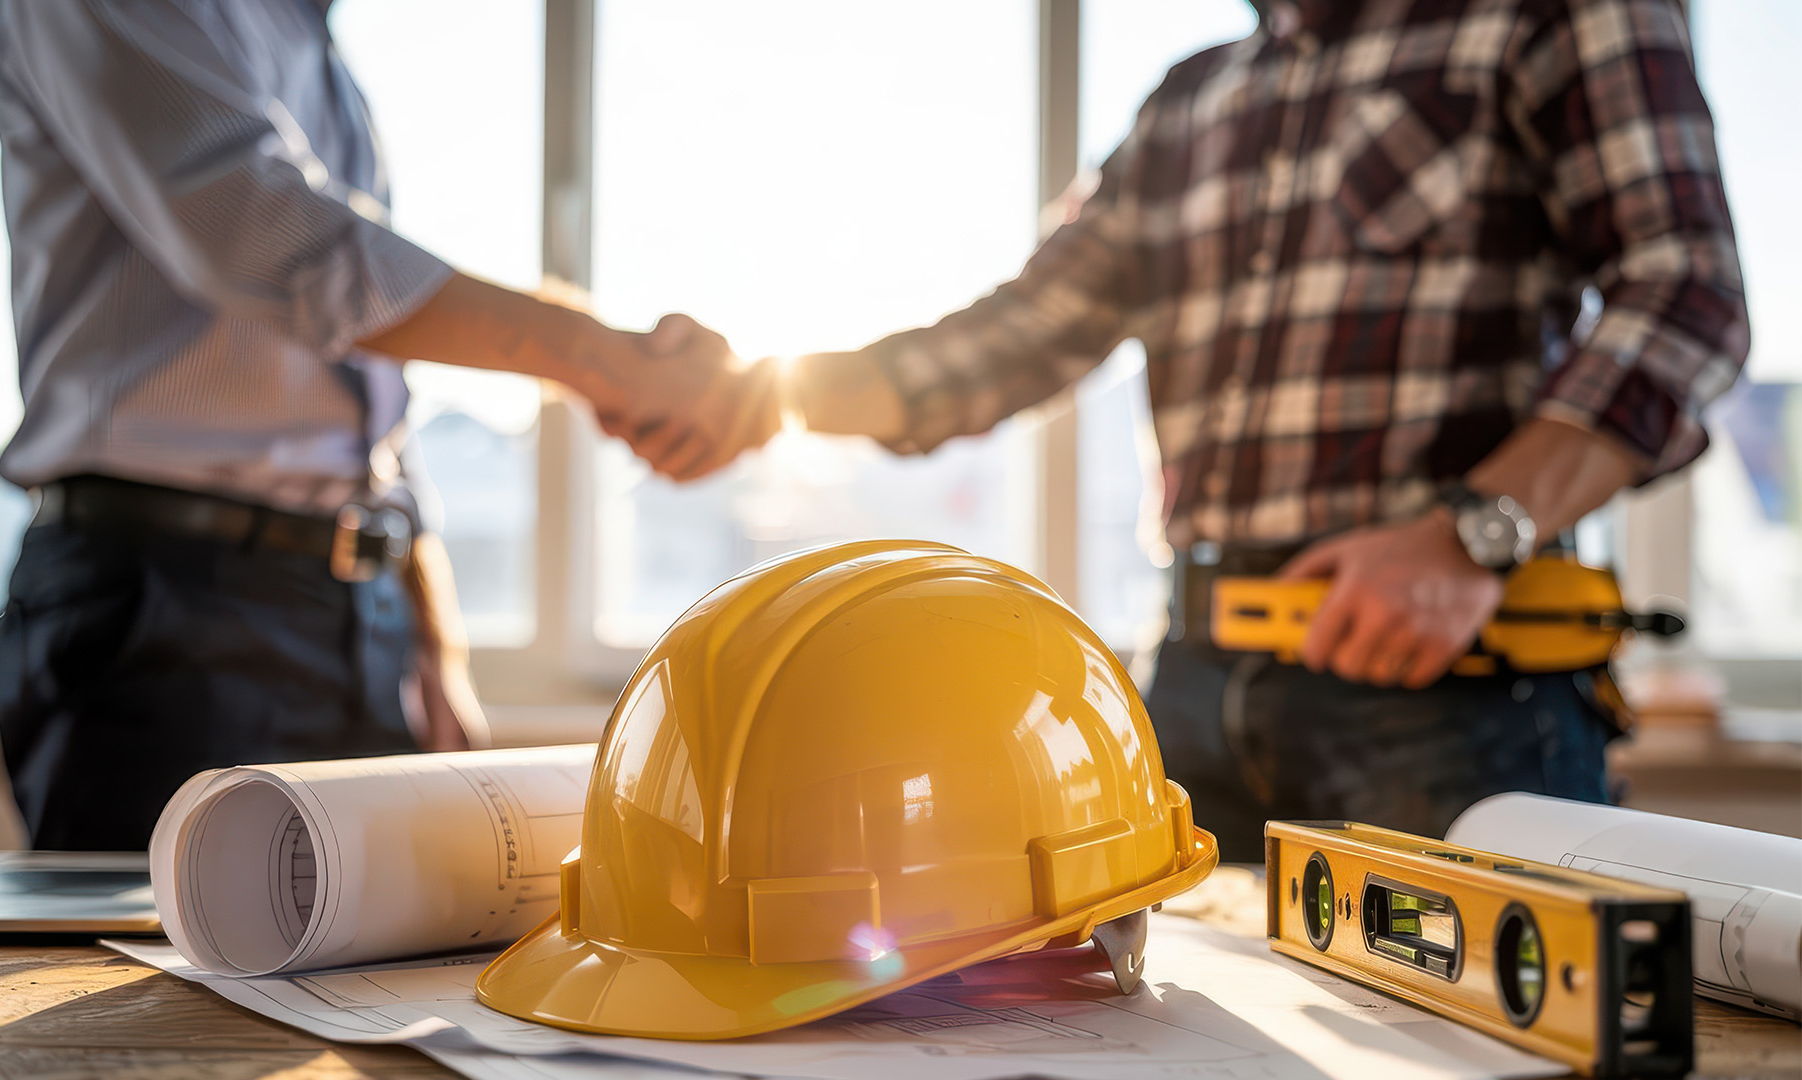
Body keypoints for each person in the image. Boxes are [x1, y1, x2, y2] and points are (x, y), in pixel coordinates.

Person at [640, 0, 1750, 853]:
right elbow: (1016, 338)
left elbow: (1688, 292)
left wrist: (1470, 534)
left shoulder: (1545, 16)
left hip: (1455, 701)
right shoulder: (1190, 99)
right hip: (1185, 689)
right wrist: (759, 393)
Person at [0, 0, 775, 850]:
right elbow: (273, 237)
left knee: (375, 971)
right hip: (161, 609)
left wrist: (430, 633)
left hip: (351, 615)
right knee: (156, 974)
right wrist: (612, 363)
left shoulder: (312, 49)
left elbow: (362, 380)